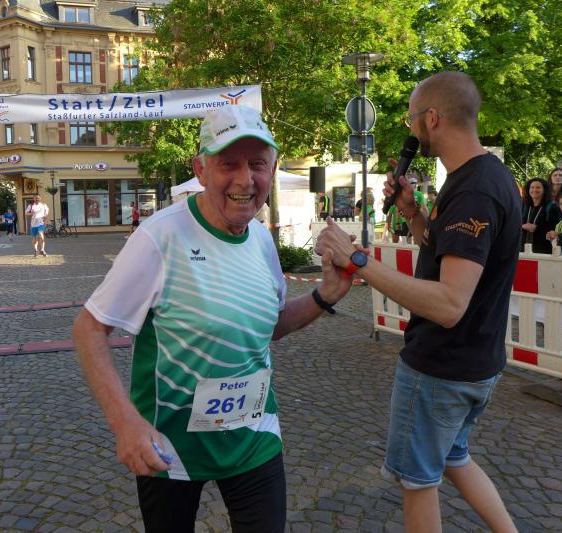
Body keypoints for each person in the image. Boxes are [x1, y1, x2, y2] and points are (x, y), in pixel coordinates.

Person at [73, 105, 353, 533]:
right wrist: (124, 422)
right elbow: (89, 328)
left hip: (254, 436)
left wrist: (325, 295)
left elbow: (271, 326)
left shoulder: (261, 239)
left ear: (272, 169)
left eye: (257, 164)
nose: (245, 180)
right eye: (228, 164)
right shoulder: (160, 236)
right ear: (201, 170)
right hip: (171, 447)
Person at [317, 71, 519, 532]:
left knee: (418, 481)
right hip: (477, 360)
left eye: (411, 119)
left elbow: (449, 303)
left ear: (432, 118)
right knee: (455, 455)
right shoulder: (483, 177)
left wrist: (358, 259)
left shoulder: (474, 191)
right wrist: (412, 213)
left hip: (441, 366)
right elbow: (446, 254)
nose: (410, 129)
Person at [521, 178, 561, 254]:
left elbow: (556, 228)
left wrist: (537, 228)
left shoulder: (552, 207)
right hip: (523, 249)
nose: (534, 190)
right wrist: (522, 226)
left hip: (543, 251)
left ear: (544, 190)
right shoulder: (524, 206)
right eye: (532, 187)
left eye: (538, 187)